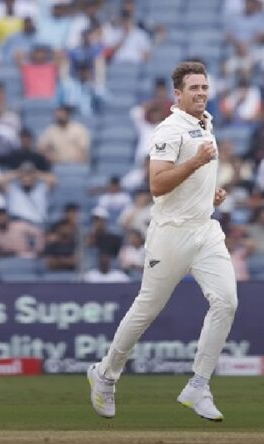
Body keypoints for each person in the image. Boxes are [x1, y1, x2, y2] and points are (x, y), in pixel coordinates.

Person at [87, 62, 238, 423]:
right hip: (171, 233)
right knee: (147, 308)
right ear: (178, 94)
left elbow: (188, 180)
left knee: (227, 303)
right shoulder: (169, 130)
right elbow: (157, 184)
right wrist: (197, 163)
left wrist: (208, 196)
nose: (201, 93)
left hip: (205, 229)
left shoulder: (206, 123)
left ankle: (198, 385)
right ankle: (106, 375)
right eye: (194, 88)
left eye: (204, 87)